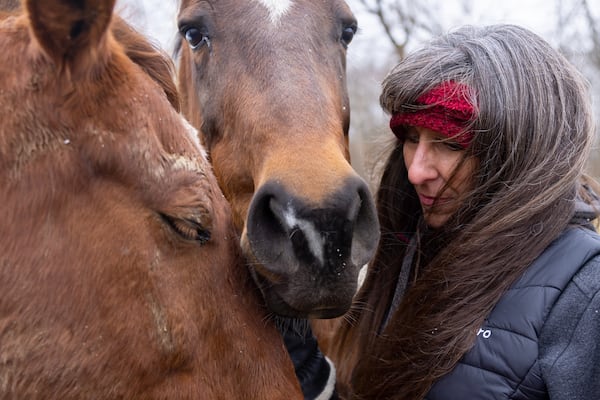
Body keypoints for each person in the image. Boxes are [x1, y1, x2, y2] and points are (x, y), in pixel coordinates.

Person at [315, 23, 600, 399]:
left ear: (520, 154)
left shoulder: (584, 291)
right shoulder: (407, 248)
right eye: (411, 138)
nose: (417, 171)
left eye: (449, 143)